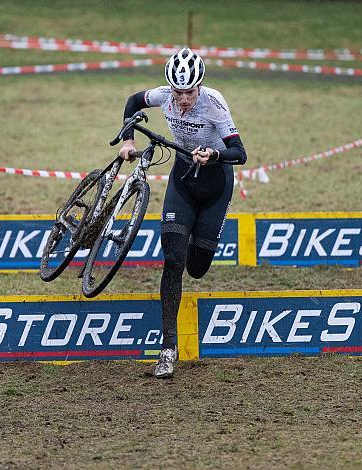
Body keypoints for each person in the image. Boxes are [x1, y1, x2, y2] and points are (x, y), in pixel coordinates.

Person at [118, 48, 247, 378]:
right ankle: (167, 348)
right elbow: (132, 102)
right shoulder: (163, 97)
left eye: (189, 92)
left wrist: (214, 154)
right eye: (178, 92)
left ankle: (198, 237)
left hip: (215, 185)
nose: (184, 99)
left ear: (199, 87)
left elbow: (239, 152)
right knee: (173, 261)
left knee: (197, 266)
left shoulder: (214, 103)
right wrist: (127, 140)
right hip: (183, 182)